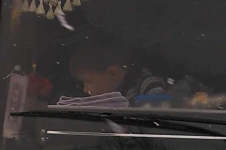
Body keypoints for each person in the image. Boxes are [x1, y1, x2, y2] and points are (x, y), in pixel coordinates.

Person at [66, 39, 208, 109]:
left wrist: (130, 105)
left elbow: (162, 103)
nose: (85, 89)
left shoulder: (146, 82)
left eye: (88, 81)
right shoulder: (115, 93)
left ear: (112, 74)